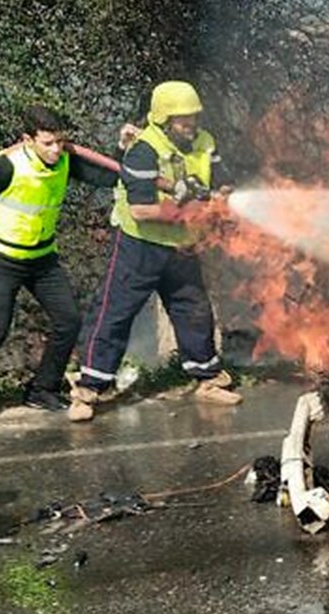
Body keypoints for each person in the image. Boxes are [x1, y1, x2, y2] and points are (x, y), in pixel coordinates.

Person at [0, 105, 127, 427]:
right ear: (28, 140)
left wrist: (120, 147)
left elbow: (108, 177)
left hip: (42, 258)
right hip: (1, 258)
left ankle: (42, 389)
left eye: (61, 142)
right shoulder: (6, 167)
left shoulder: (66, 159)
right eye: (48, 143)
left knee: (69, 321)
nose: (56, 150)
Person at [69, 80, 241, 422]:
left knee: (193, 310)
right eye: (182, 120)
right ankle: (88, 389)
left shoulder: (205, 142)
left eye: (193, 117)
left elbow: (222, 179)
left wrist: (220, 196)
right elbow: (141, 210)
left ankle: (207, 378)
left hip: (182, 244)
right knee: (115, 312)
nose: (190, 125)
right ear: (164, 119)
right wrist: (186, 212)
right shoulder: (144, 150)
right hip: (140, 246)